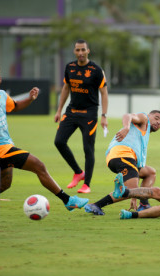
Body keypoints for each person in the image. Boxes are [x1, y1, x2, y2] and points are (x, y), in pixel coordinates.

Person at [0, 64, 89, 226]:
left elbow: (15, 106)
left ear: (0, 79)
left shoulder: (1, 95)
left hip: (5, 147)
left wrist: (30, 98)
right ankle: (68, 200)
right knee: (39, 165)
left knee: (3, 185)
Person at [84, 110, 160, 215]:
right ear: (149, 115)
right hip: (122, 155)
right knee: (130, 190)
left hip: (124, 157)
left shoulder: (144, 134)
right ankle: (96, 205)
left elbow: (138, 169)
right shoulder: (144, 118)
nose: (159, 122)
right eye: (156, 118)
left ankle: (144, 205)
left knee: (150, 173)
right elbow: (128, 115)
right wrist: (126, 128)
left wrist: (135, 197)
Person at [54, 39, 108, 194]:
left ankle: (87, 185)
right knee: (59, 141)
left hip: (89, 113)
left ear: (88, 51)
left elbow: (104, 93)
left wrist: (104, 115)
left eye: (83, 50)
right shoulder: (69, 67)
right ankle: (78, 172)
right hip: (71, 112)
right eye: (78, 50)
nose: (80, 53)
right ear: (74, 51)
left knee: (88, 148)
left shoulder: (96, 70)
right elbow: (65, 88)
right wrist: (59, 110)